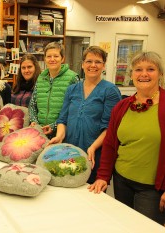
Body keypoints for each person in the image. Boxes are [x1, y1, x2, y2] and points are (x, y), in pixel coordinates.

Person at [88, 51, 165, 225]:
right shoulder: (122, 106)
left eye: (150, 69)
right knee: (123, 226)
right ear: (131, 75)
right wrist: (103, 177)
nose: (144, 74)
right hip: (122, 182)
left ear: (160, 73)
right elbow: (109, 145)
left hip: (153, 189)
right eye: (138, 70)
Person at [48, 46, 122, 184]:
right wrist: (59, 136)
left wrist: (93, 147)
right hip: (70, 152)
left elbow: (110, 127)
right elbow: (63, 119)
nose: (93, 65)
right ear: (82, 64)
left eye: (98, 62)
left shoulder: (110, 91)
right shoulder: (72, 89)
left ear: (104, 65)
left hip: (94, 155)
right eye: (89, 61)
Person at [28, 42, 78, 136]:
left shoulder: (73, 78)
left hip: (62, 133)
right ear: (45, 59)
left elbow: (74, 109)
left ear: (62, 58)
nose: (52, 59)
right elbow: (32, 104)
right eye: (49, 56)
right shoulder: (41, 78)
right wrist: (34, 121)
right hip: (40, 132)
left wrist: (54, 126)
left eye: (56, 56)